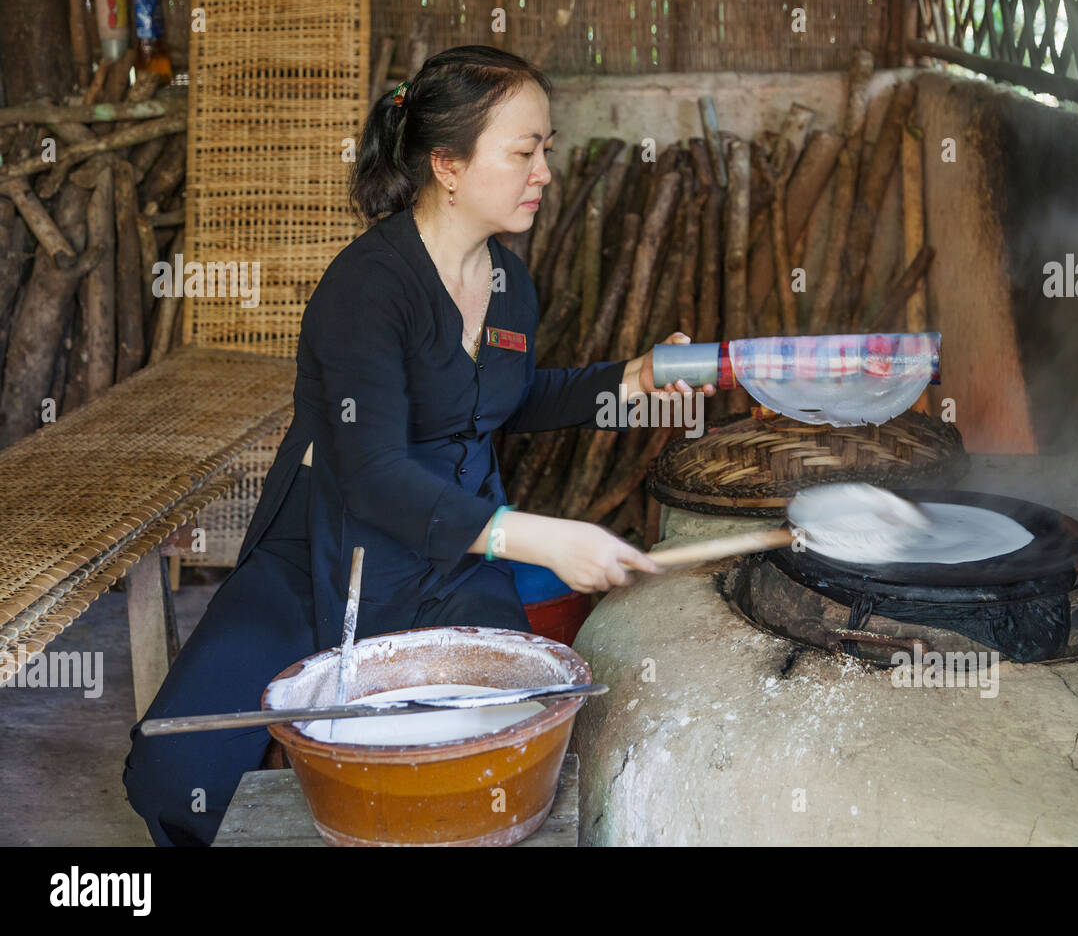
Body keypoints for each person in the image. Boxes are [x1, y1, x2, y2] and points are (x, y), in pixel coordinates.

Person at [122, 44, 714, 846]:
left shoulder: (509, 285)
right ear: (448, 165)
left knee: (489, 754)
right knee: (177, 771)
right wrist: (530, 536)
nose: (544, 172)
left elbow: (499, 400)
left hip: (452, 558)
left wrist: (633, 377)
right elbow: (372, 475)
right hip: (329, 547)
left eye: (546, 149)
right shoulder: (367, 289)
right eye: (523, 152)